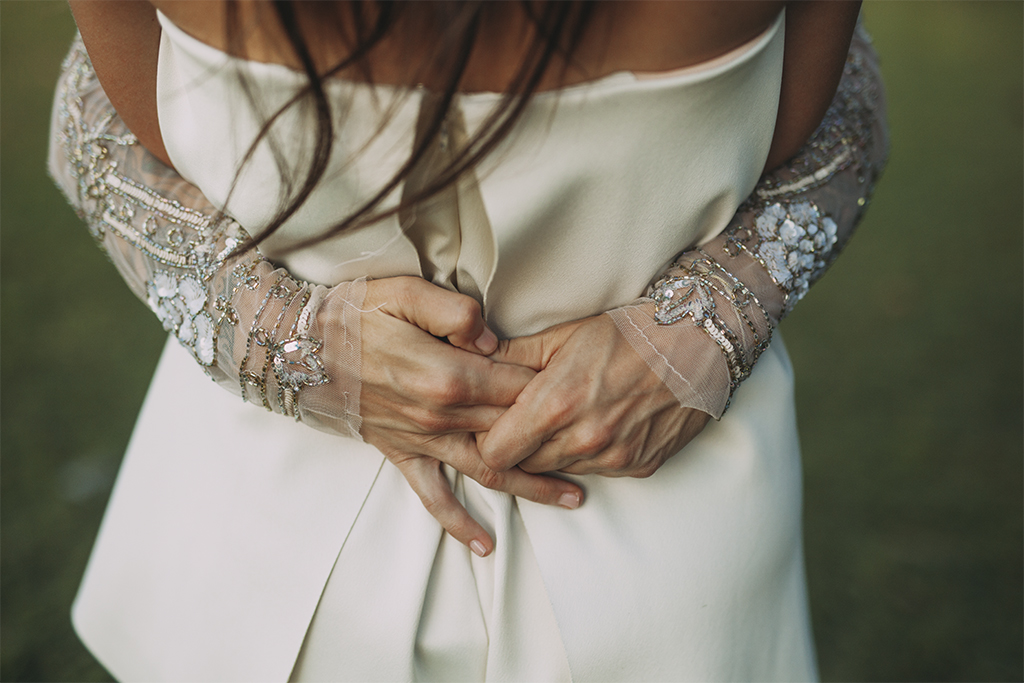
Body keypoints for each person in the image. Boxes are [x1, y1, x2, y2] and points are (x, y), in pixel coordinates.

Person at [50, 1, 887, 680]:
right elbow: (835, 99)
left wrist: (273, 331)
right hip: (659, 544)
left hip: (257, 534)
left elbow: (99, 110)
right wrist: (715, 314)